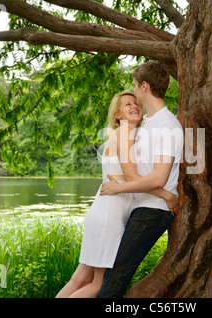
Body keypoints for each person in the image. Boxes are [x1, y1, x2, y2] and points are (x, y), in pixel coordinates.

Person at [55, 91, 178, 298]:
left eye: (136, 103)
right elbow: (132, 178)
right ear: (117, 115)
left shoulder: (130, 135)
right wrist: (166, 194)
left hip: (103, 211)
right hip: (109, 216)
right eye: (127, 104)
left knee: (80, 278)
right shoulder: (122, 134)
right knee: (99, 283)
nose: (134, 106)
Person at [97, 60, 184, 297]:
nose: (134, 91)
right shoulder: (146, 123)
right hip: (141, 206)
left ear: (144, 86)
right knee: (112, 276)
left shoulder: (168, 126)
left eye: (135, 86)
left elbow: (158, 177)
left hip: (153, 211)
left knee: (114, 280)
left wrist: (119, 188)